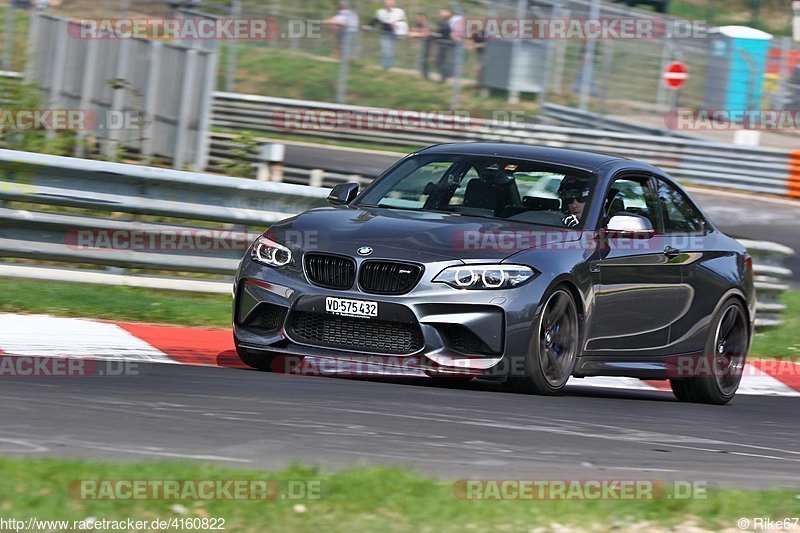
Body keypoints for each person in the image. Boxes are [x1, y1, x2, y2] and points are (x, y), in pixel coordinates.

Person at [373, 0, 407, 70]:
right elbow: (376, 20)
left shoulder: (398, 12)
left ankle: (388, 66)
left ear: (393, 4)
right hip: (385, 34)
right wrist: (368, 25)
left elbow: (403, 22)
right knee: (386, 50)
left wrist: (396, 25)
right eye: (387, 3)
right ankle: (385, 66)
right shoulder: (381, 12)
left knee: (390, 51)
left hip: (394, 34)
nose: (389, 5)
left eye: (391, 3)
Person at [407, 13, 432, 80]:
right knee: (422, 59)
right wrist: (415, 32)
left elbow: (425, 34)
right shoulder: (418, 24)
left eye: (421, 18)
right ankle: (422, 75)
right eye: (418, 18)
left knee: (425, 60)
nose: (419, 19)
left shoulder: (427, 24)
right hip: (422, 45)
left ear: (424, 18)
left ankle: (426, 76)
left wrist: (415, 34)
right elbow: (411, 31)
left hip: (428, 45)